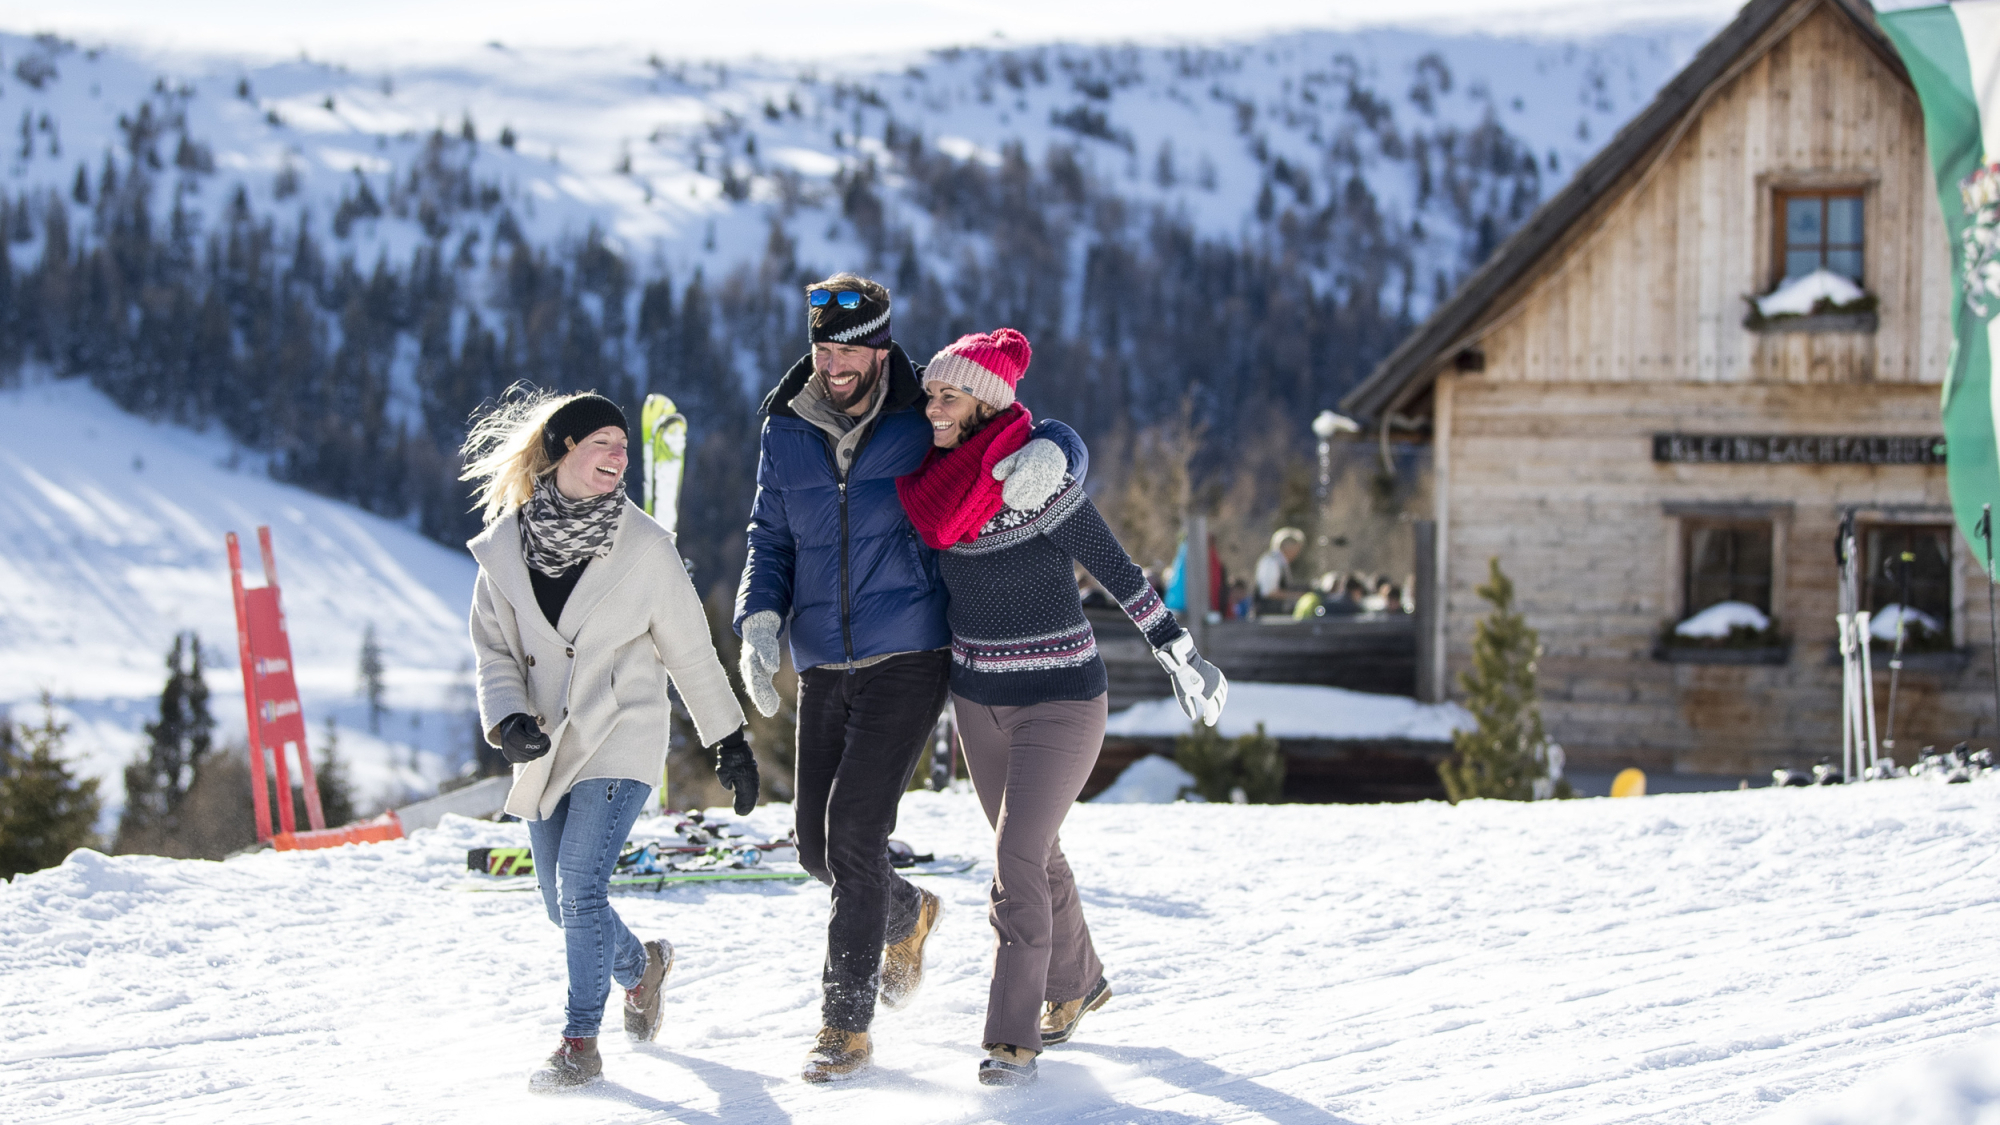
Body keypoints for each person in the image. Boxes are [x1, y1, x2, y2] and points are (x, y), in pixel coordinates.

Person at [733, 275, 1088, 1083]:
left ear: (882, 345)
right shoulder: (785, 426)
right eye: (825, 347)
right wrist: (759, 616)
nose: (836, 363)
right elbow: (770, 534)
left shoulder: (923, 406)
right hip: (825, 654)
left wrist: (1058, 454)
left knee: (856, 833)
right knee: (818, 847)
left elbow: (1027, 423)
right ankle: (906, 911)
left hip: (913, 650)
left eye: (852, 348)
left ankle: (844, 1025)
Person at [895, 328, 1227, 1087]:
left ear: (983, 404)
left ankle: (1012, 1037)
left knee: (1014, 861)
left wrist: (1178, 648)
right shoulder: (932, 483)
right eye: (932, 395)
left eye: (947, 397)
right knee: (1036, 853)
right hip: (978, 702)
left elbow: (1116, 566)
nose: (932, 407)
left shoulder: (1039, 480)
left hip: (1062, 700)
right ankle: (1079, 982)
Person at [461, 391, 757, 1091]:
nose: (621, 457)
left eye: (626, 448)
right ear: (563, 449)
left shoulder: (646, 546)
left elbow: (689, 651)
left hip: (623, 732)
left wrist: (730, 740)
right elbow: (494, 650)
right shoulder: (506, 547)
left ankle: (578, 1042)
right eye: (605, 444)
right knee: (558, 902)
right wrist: (507, 720)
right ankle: (642, 967)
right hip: (551, 746)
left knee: (580, 888)